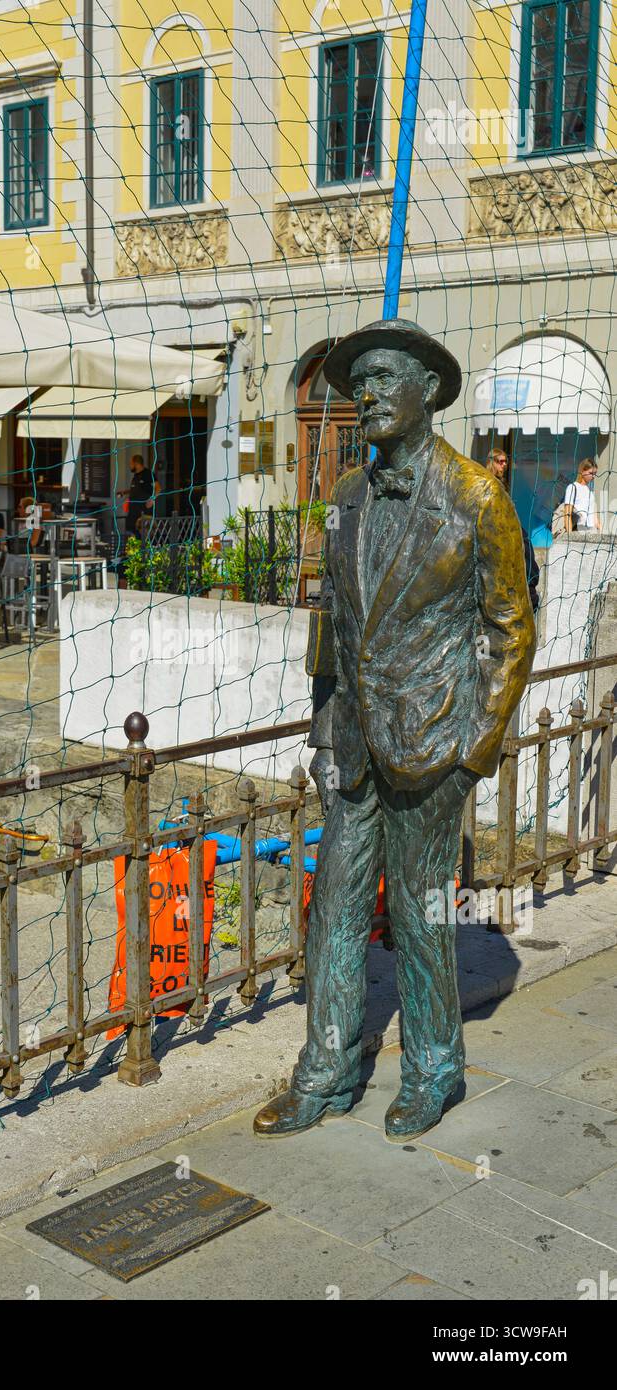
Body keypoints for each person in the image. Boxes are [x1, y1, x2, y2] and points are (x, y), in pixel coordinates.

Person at [253, 319, 536, 1144]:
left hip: (433, 738)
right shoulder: (345, 496)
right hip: (352, 736)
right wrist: (323, 724)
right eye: (358, 384)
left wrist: (474, 748)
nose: (365, 395)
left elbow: (510, 628)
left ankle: (433, 1068)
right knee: (333, 907)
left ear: (425, 390)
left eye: (381, 379)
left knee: (418, 909)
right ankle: (325, 1073)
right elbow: (332, 617)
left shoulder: (476, 497)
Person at [485, 448, 540, 612]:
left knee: (526, 549)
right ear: (491, 462)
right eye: (499, 461)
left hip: (509, 524)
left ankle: (530, 590)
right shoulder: (488, 481)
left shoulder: (501, 482)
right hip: (498, 527)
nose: (503, 465)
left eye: (505, 461)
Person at [119, 454, 158, 537]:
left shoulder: (148, 474)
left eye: (131, 463)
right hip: (133, 512)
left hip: (143, 511)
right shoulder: (136, 476)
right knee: (131, 532)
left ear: (136, 463)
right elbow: (136, 490)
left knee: (143, 534)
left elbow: (158, 488)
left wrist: (152, 499)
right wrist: (124, 493)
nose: (130, 466)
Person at [563, 459, 601, 534]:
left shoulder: (590, 492)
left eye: (595, 473)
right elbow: (567, 514)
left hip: (591, 531)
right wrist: (570, 536)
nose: (593, 476)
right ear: (582, 471)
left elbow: (594, 515)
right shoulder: (572, 487)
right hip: (578, 530)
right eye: (591, 473)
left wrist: (600, 530)